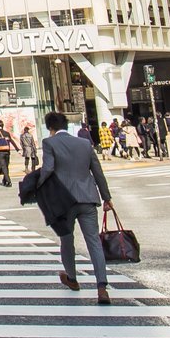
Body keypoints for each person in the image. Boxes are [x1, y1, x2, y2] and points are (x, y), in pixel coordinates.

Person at [35, 111, 114, 305]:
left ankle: (72, 278)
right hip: (87, 199)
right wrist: (107, 198)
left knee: (66, 240)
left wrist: (35, 186)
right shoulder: (85, 144)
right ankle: (102, 287)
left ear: (50, 128)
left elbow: (48, 169)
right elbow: (98, 172)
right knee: (94, 242)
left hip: (64, 201)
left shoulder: (49, 143)